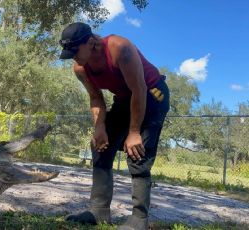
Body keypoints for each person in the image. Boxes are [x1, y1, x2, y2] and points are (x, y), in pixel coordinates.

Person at [59, 22, 169, 230]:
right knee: (100, 146)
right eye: (69, 52)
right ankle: (98, 210)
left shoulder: (120, 48)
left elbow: (139, 89)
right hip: (125, 98)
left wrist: (134, 131)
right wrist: (99, 127)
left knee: (138, 152)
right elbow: (96, 98)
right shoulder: (80, 68)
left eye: (75, 50)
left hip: (152, 95)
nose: (73, 56)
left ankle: (139, 219)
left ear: (90, 41)